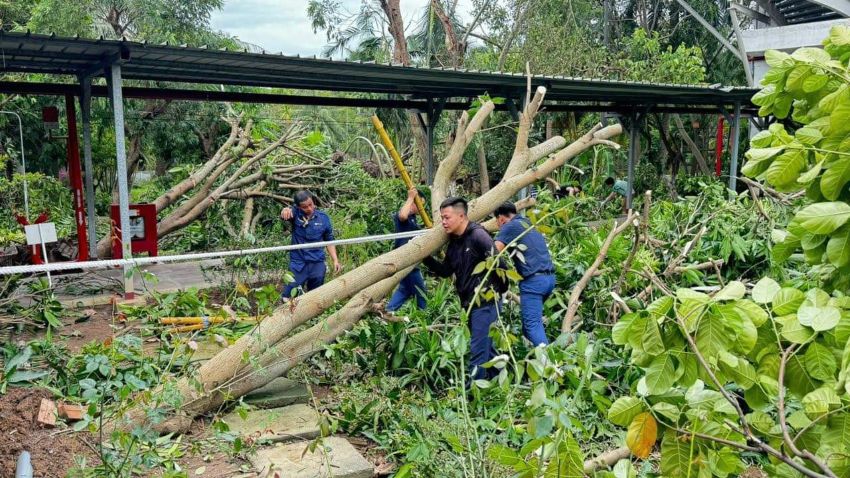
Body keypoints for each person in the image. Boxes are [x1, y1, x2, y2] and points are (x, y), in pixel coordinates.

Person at [423, 197, 506, 381]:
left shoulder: (478, 236)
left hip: (486, 303)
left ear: (461, 216)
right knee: (487, 350)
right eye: (442, 218)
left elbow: (501, 265)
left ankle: (473, 396)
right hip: (469, 303)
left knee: (478, 352)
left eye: (447, 217)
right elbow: (445, 271)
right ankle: (501, 386)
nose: (443, 222)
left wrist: (497, 294)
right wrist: (425, 257)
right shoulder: (454, 243)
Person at [493, 202, 555, 347]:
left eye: (497, 223)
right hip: (549, 279)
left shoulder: (510, 226)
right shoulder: (529, 224)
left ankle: (551, 365)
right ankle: (533, 361)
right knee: (529, 326)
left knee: (532, 325)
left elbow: (493, 252)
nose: (498, 226)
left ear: (501, 219)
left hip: (533, 282)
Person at [279, 190, 341, 302]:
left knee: (315, 295)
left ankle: (312, 317)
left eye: (311, 204)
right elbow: (286, 214)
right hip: (298, 263)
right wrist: (285, 210)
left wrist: (335, 260)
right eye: (304, 207)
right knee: (287, 296)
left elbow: (329, 240)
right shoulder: (295, 214)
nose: (309, 209)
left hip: (316, 261)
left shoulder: (323, 218)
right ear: (298, 207)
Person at [385, 188, 427, 311]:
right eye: (418, 205)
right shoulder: (403, 216)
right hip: (406, 258)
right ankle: (424, 315)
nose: (420, 209)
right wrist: (410, 197)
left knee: (405, 290)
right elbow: (403, 215)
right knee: (421, 293)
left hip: (411, 258)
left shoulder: (413, 219)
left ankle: (388, 311)